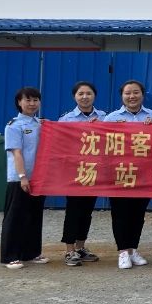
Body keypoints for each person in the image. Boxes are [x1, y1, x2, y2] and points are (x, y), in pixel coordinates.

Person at [104, 80, 152, 269]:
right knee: (120, 213)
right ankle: (122, 252)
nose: (132, 96)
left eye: (136, 92)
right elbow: (102, 144)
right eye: (127, 93)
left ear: (143, 95)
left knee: (138, 213)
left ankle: (133, 249)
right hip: (119, 174)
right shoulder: (111, 118)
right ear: (122, 96)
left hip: (144, 174)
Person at [57, 80, 103, 267]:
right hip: (75, 173)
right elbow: (59, 144)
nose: (85, 97)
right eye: (81, 94)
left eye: (88, 93)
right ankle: (69, 250)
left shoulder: (103, 117)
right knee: (74, 210)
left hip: (94, 172)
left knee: (87, 211)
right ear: (74, 97)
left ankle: (80, 247)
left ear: (94, 96)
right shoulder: (66, 119)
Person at [1, 87, 46, 269]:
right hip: (19, 179)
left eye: (35, 100)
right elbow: (17, 153)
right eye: (28, 100)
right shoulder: (14, 125)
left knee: (34, 216)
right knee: (15, 217)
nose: (32, 103)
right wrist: (22, 177)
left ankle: (31, 253)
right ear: (19, 102)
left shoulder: (40, 124)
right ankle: (10, 256)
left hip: (38, 177)